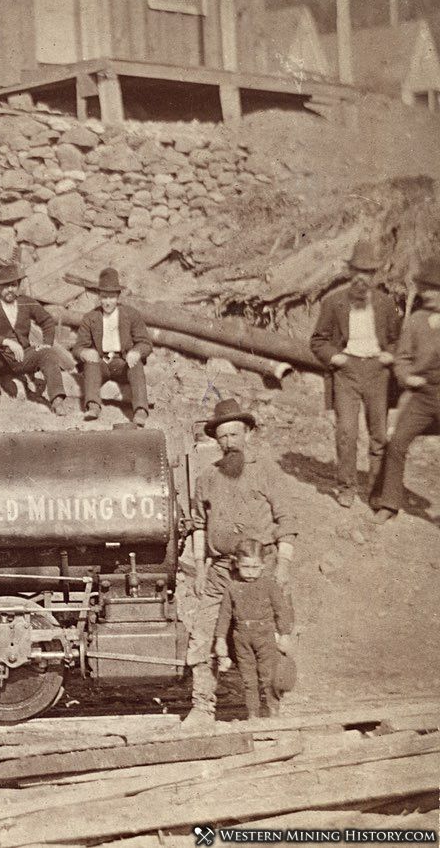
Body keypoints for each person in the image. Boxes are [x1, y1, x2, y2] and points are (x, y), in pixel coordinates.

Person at [182, 398, 298, 729]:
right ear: (215, 441)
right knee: (204, 632)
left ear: (247, 433)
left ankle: (274, 707)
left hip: (262, 567)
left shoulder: (267, 471)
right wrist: (200, 569)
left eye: (235, 434)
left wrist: (284, 565)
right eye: (223, 437)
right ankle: (202, 707)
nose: (229, 442)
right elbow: (199, 524)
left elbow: (286, 518)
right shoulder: (207, 477)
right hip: (219, 570)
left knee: (271, 635)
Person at [309, 239, 401, 508]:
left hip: (377, 372)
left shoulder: (386, 303)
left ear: (375, 275)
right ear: (350, 273)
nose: (363, 278)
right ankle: (346, 486)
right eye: (359, 271)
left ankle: (375, 492)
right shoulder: (333, 303)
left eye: (369, 272)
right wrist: (334, 356)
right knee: (346, 432)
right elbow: (317, 341)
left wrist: (390, 355)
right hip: (346, 372)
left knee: (379, 434)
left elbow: (397, 340)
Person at [371, 257, 440, 523]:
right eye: (426, 288)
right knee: (397, 443)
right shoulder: (416, 321)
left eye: (435, 289)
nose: (429, 294)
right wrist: (407, 378)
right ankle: (389, 503)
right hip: (421, 397)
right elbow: (401, 359)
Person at [214, 538, 295, 720]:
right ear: (236, 564)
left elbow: (281, 610)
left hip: (265, 635)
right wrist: (220, 640)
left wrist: (285, 634)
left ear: (263, 565)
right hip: (241, 638)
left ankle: (274, 712)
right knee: (248, 679)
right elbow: (225, 615)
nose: (250, 572)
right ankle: (253, 715)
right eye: (246, 567)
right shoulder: (232, 587)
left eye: (255, 567)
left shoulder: (269, 585)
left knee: (268, 677)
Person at [0, 263, 71, 413]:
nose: (10, 290)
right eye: (5, 286)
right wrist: (7, 342)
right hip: (1, 358)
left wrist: (46, 344)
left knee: (49, 353)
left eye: (13, 285)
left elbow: (47, 320)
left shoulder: (26, 302)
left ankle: (57, 401)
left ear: (18, 286)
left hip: (24, 357)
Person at [72, 268, 153, 426]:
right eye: (104, 297)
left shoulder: (131, 315)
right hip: (102, 363)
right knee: (91, 362)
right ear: (99, 297)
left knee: (136, 364)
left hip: (122, 362)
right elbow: (77, 348)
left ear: (117, 297)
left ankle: (140, 410)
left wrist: (136, 352)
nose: (107, 302)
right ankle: (93, 405)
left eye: (111, 297)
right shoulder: (90, 318)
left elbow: (146, 343)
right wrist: (84, 352)